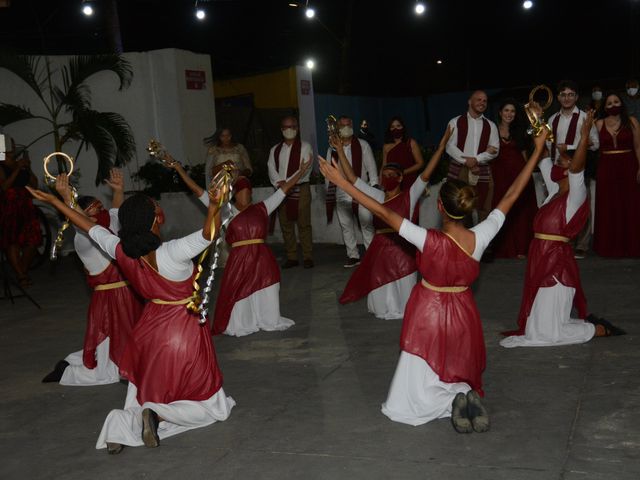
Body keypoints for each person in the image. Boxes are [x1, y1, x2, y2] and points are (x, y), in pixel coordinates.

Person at [320, 125, 550, 434]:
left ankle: (444, 402)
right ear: (466, 208)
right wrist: (536, 150)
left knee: (409, 390)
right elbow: (511, 195)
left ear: (440, 206)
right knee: (455, 361)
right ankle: (458, 394)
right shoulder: (481, 236)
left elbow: (383, 213)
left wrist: (340, 183)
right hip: (464, 309)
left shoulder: (425, 238)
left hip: (428, 309)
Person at [28, 180, 235, 454]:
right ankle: (158, 416)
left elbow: (89, 227)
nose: (159, 209)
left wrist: (56, 202)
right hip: (181, 329)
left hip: (149, 328)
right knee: (212, 403)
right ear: (152, 220)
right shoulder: (172, 252)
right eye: (156, 207)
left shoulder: (121, 251)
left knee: (147, 389)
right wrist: (213, 205)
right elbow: (209, 234)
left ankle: (120, 426)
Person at [501, 112, 625, 349]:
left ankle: (594, 328)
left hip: (557, 263)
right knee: (534, 327)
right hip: (540, 257)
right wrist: (537, 122)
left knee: (545, 334)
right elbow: (543, 154)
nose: (558, 164)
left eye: (563, 162)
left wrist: (584, 135)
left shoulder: (576, 195)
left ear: (571, 170)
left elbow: (578, 166)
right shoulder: (553, 190)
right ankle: (580, 325)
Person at [168, 154, 311, 336]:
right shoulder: (225, 210)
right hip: (239, 260)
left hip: (262, 259)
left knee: (267, 290)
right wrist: (179, 169)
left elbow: (284, 190)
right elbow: (198, 191)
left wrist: (300, 172)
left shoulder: (262, 207)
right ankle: (245, 322)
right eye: (242, 190)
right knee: (238, 294)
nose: (246, 194)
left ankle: (267, 319)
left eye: (248, 190)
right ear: (235, 193)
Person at [41, 169, 143, 385]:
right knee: (110, 365)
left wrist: (118, 190)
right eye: (94, 210)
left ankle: (71, 361)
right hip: (109, 302)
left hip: (128, 294)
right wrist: (68, 198)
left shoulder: (107, 227)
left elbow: (115, 211)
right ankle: (68, 373)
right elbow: (81, 222)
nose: (101, 212)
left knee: (125, 344)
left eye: (100, 207)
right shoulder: (84, 238)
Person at [337, 128, 450, 320]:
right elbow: (353, 179)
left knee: (406, 303)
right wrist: (340, 150)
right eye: (385, 174)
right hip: (380, 251)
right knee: (380, 306)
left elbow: (426, 173)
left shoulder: (410, 195)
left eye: (392, 174)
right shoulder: (377, 196)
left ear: (400, 177)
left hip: (402, 251)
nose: (387, 177)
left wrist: (441, 146)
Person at [546, 80, 600, 259]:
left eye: (570, 94)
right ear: (558, 97)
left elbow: (595, 143)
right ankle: (564, 240)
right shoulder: (553, 119)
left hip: (578, 168)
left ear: (576, 97)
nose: (566, 98)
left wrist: (569, 147)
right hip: (559, 169)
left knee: (581, 205)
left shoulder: (585, 117)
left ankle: (582, 245)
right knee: (560, 206)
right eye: (563, 94)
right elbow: (549, 143)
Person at [325, 115, 378, 268]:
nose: (346, 127)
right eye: (342, 125)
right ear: (338, 129)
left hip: (361, 190)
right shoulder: (332, 149)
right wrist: (330, 191)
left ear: (353, 125)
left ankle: (371, 254)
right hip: (341, 192)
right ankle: (353, 256)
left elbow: (371, 169)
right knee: (346, 225)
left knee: (366, 223)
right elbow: (329, 171)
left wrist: (374, 188)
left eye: (349, 124)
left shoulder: (363, 145)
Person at [593, 92, 640, 257]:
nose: (613, 105)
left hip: (628, 166)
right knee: (608, 206)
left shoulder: (632, 121)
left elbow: (638, 147)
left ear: (622, 103)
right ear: (604, 107)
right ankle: (609, 247)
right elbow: (592, 147)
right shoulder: (598, 124)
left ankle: (632, 246)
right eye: (609, 103)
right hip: (606, 167)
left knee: (630, 205)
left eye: (616, 102)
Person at [490, 100, 538, 258]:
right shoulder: (492, 130)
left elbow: (524, 155)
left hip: (519, 173)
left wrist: (527, 173)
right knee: (503, 209)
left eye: (512, 111)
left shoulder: (520, 131)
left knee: (521, 211)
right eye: (506, 110)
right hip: (500, 175)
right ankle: (505, 249)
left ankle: (522, 248)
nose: (509, 114)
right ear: (500, 112)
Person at [445, 90, 500, 226]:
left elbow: (495, 150)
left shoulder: (491, 125)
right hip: (459, 168)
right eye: (479, 99)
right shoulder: (455, 122)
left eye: (485, 101)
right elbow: (449, 146)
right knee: (458, 204)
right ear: (469, 101)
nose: (482, 103)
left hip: (481, 170)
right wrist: (466, 161)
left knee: (481, 206)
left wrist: (476, 159)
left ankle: (479, 241)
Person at [267, 115, 314, 269]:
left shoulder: (305, 147)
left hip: (301, 189)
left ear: (297, 128)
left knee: (304, 224)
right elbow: (271, 168)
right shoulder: (275, 150)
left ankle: (308, 256)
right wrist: (278, 182)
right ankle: (292, 256)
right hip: (281, 191)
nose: (289, 130)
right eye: (286, 127)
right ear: (281, 130)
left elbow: (305, 169)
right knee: (286, 224)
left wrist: (288, 183)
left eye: (292, 127)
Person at [0, 138, 41, 288]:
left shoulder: (21, 164)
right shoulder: (1, 166)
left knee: (33, 240)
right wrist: (17, 168)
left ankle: (21, 271)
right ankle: (21, 275)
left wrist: (28, 168)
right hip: (9, 206)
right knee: (13, 241)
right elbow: (4, 187)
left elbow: (35, 185)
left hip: (25, 205)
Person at [382, 117, 425, 190]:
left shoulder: (411, 143)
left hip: (409, 181)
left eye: (398, 126)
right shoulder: (386, 146)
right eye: (392, 127)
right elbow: (384, 166)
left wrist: (402, 172)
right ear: (389, 129)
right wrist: (382, 182)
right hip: (392, 182)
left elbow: (420, 163)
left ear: (403, 127)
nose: (395, 129)